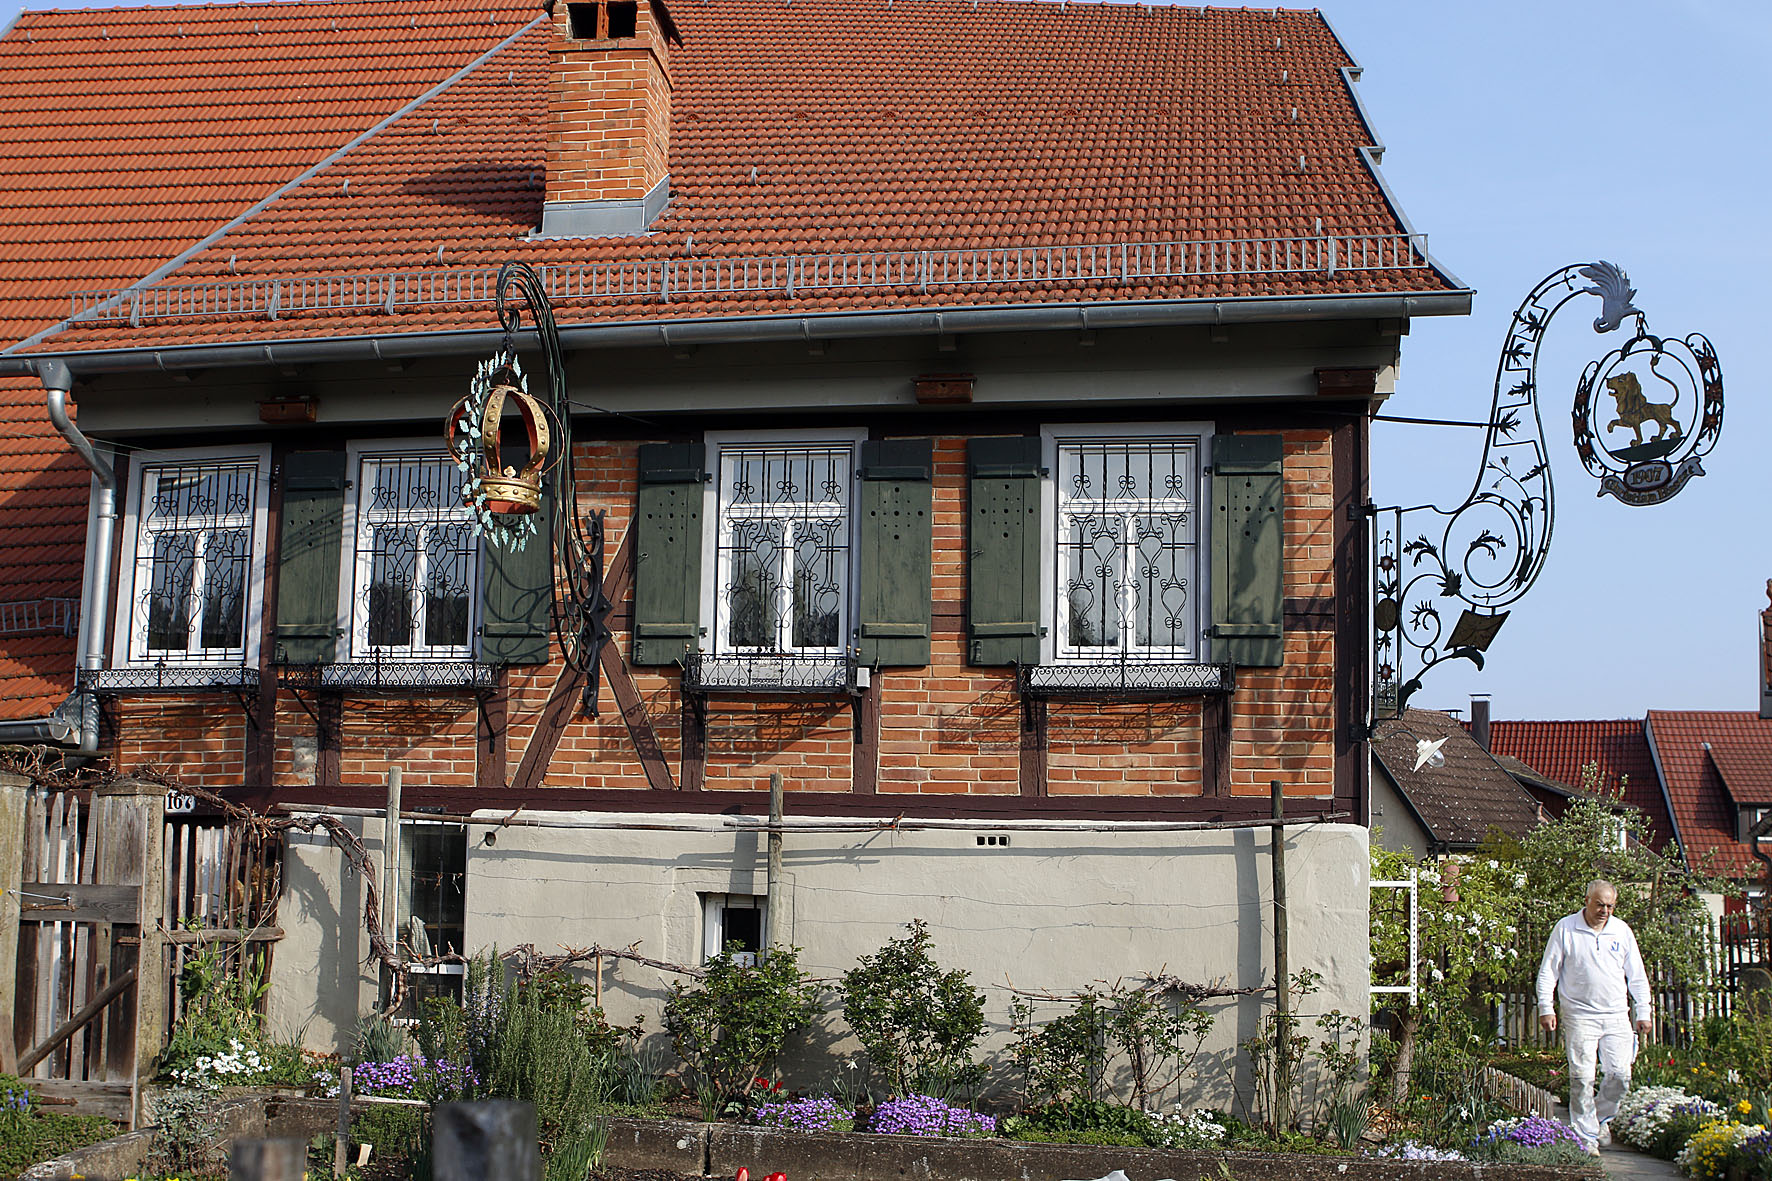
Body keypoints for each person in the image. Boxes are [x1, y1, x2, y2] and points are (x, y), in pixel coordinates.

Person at [1536, 879, 1652, 1154]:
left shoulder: (1622, 931)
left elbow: (1637, 975)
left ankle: (1599, 1118)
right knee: (1581, 1077)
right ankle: (1586, 1136)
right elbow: (1548, 971)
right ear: (1586, 900)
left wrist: (1644, 1011)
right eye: (1600, 904)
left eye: (1610, 906)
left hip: (1616, 1015)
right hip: (1579, 1015)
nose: (1605, 910)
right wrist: (1546, 1007)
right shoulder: (1566, 928)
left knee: (1620, 1075)